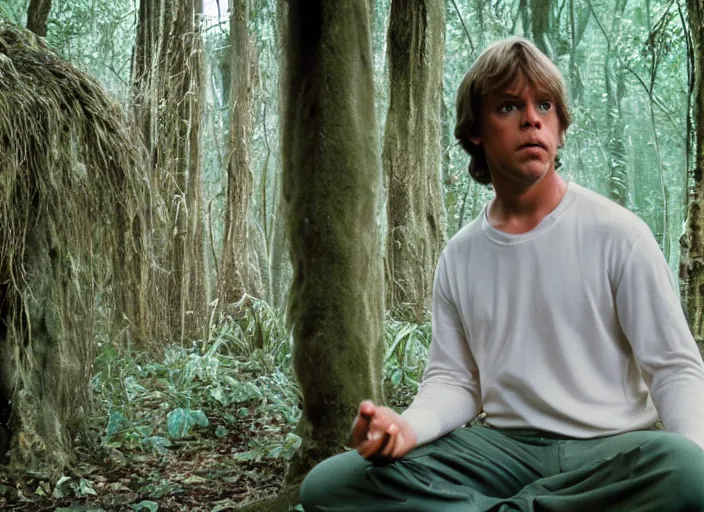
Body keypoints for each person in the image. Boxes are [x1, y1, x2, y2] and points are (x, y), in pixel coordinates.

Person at [299, 36, 704, 511]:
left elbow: (673, 367)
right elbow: (455, 381)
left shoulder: (619, 234)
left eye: (545, 105)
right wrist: (405, 429)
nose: (532, 118)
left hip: (607, 452)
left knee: (685, 471)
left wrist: (697, 458)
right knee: (329, 485)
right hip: (500, 452)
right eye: (510, 106)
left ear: (559, 126)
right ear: (476, 130)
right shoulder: (461, 255)